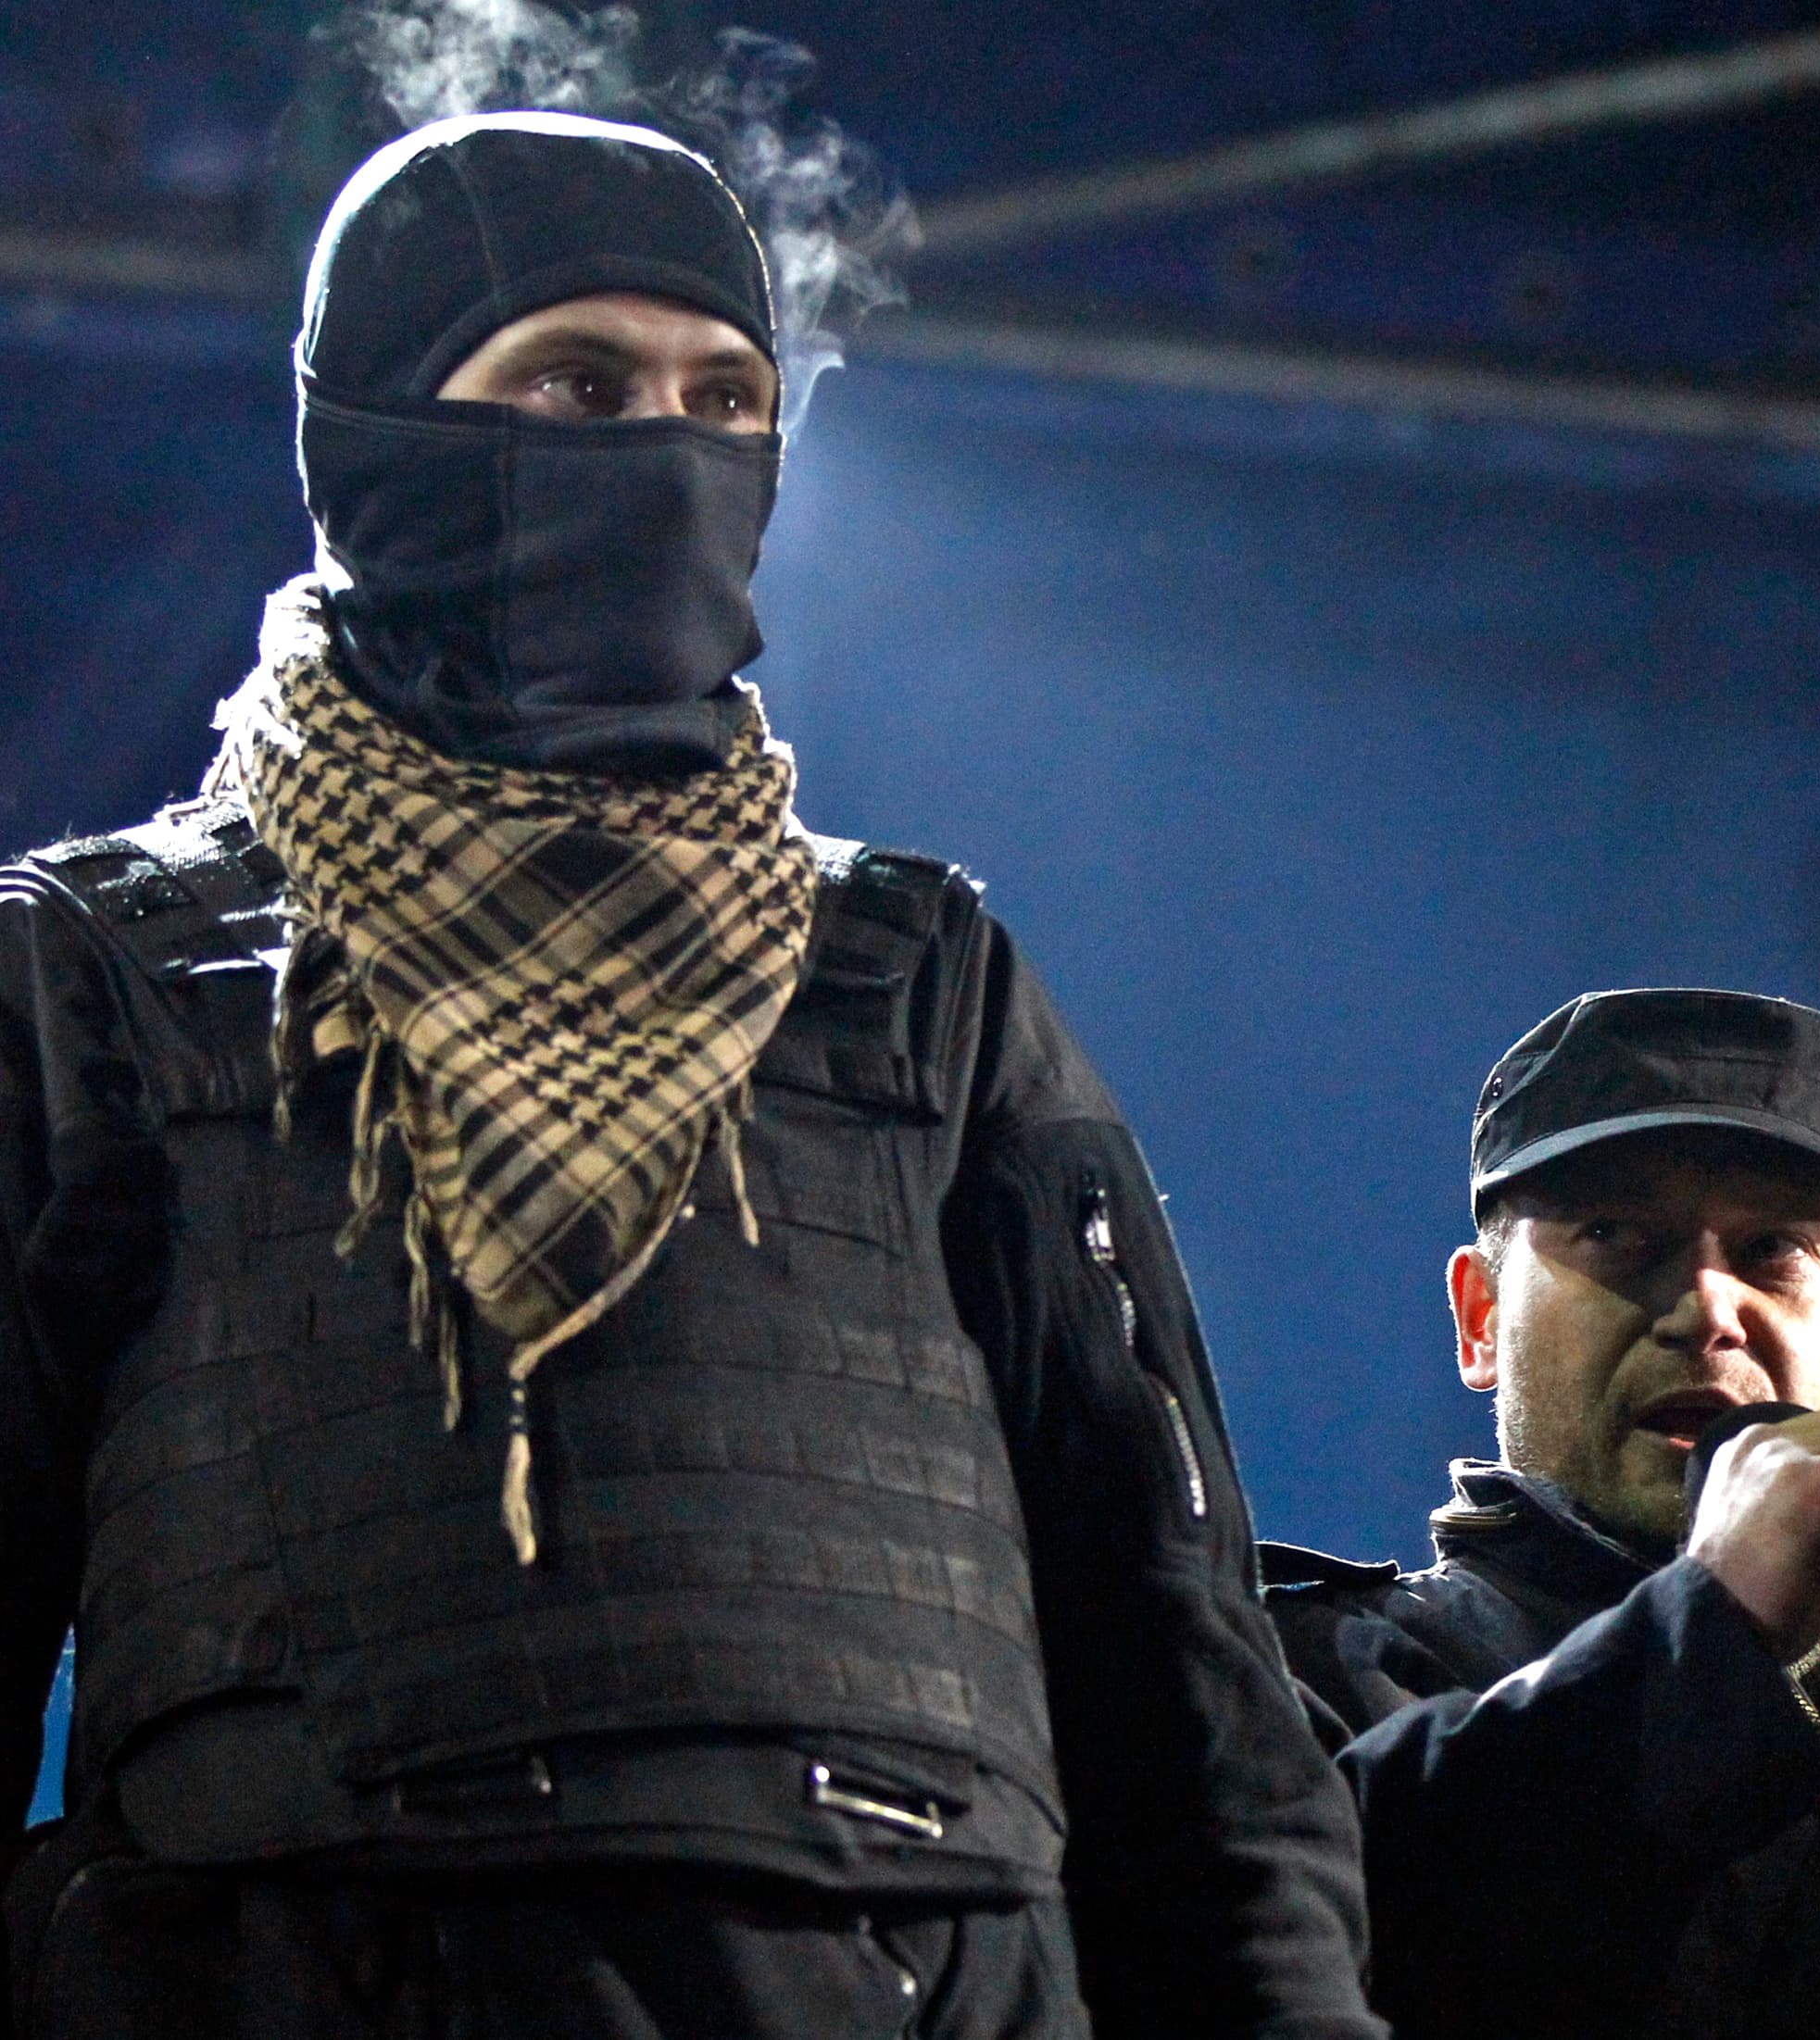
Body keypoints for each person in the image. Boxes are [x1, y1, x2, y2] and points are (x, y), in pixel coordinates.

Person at [0, 111, 1381, 2040]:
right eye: (578, 384)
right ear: (378, 433)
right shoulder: (110, 973)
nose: (664, 449)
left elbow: (1178, 1664)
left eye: (724, 398)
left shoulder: (920, 979)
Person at [1264, 987, 1820, 2040]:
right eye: (1617, 1234)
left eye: (1774, 1249)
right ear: (1479, 1319)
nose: (1706, 1305)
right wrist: (1711, 1631)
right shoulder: (1294, 1692)